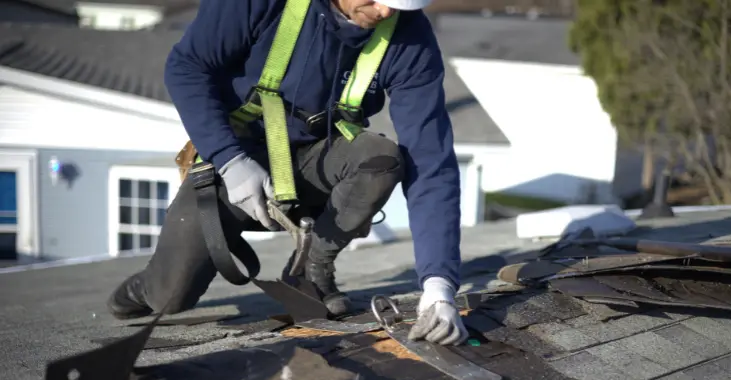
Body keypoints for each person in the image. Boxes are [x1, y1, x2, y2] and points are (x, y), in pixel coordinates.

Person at [106, 0, 469, 345]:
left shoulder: (408, 35)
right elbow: (187, 66)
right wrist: (229, 160)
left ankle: (310, 270)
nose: (386, 11)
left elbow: (431, 162)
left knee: (380, 158)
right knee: (171, 296)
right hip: (235, 164)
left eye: (400, 4)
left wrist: (438, 285)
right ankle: (150, 286)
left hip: (316, 167)